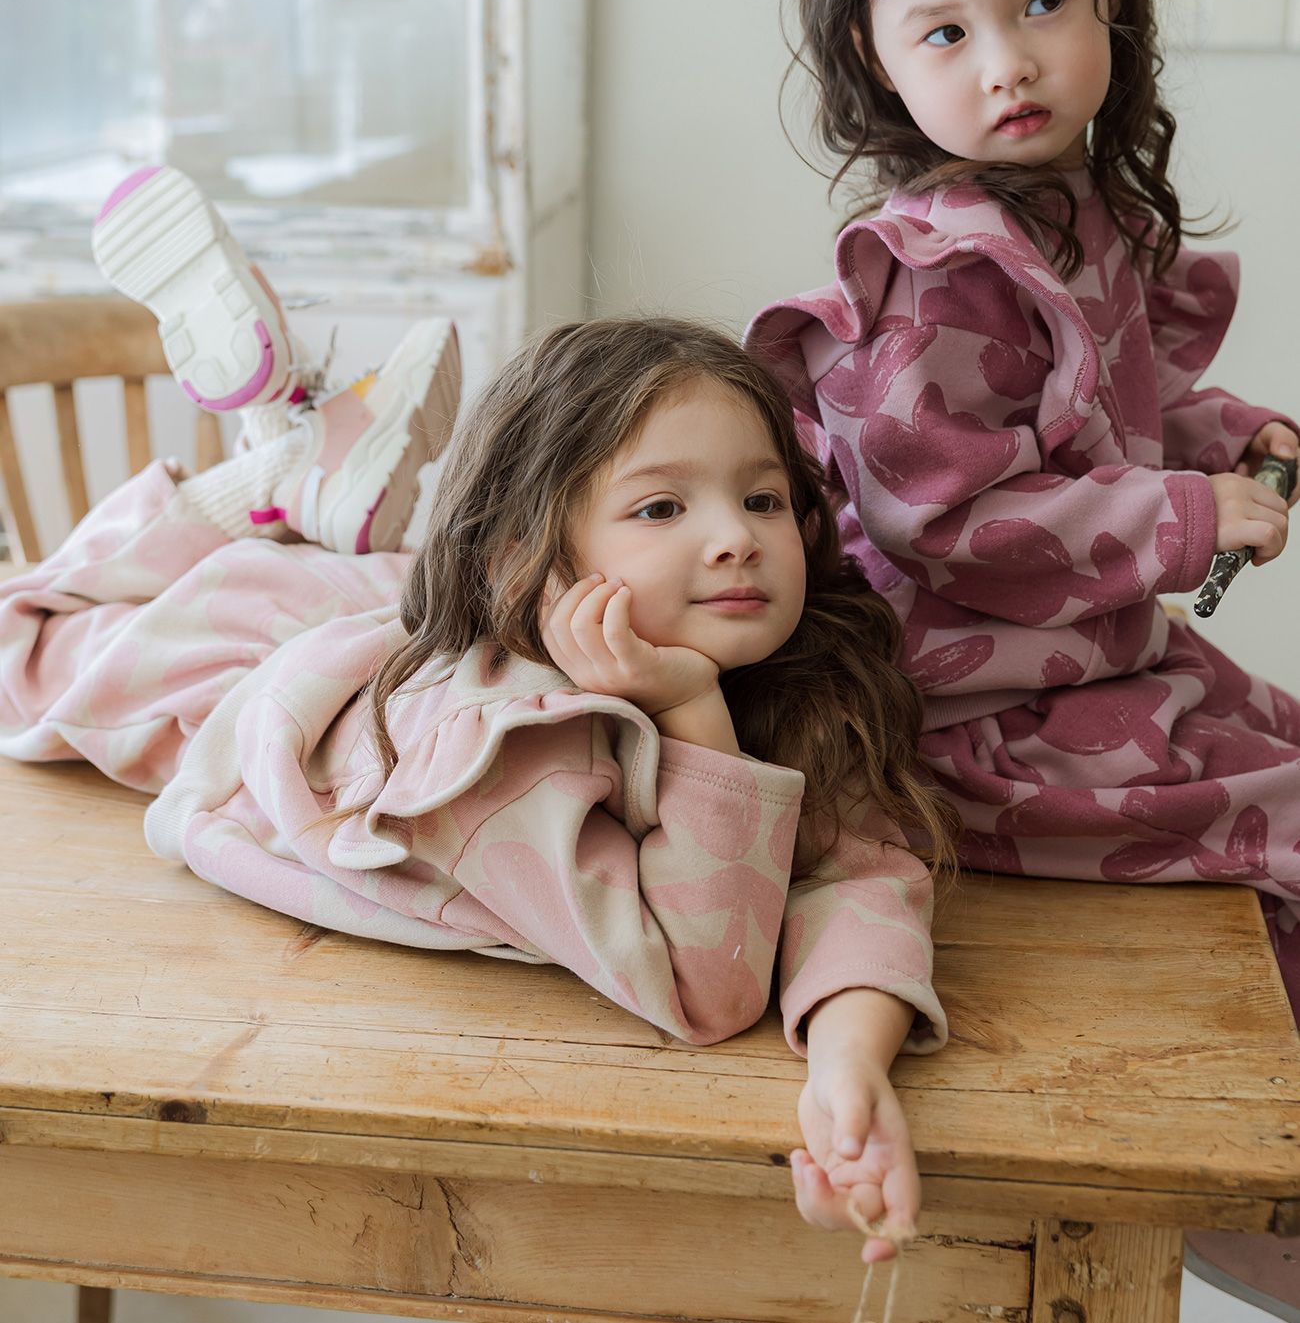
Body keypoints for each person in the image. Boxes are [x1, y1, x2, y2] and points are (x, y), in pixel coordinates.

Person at [0, 167, 954, 1265]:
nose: (735, 536)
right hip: (246, 667)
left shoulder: (793, 670)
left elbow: (861, 873)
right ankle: (269, 477)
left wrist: (850, 1062)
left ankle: (298, 472)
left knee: (321, 563)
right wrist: (691, 709)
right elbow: (706, 980)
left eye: (761, 497)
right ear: (530, 563)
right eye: (661, 505)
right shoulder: (503, 752)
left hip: (372, 598)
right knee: (33, 646)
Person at [747, 0, 1300, 1312]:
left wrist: (1226, 436)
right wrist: (1185, 513)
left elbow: (1102, 418)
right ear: (874, 57)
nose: (1009, 65)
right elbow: (949, 516)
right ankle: (1257, 1207)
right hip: (978, 718)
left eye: (1044, 2)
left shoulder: (1075, 207)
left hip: (1095, 669)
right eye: (947, 33)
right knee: (1280, 834)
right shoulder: (938, 274)